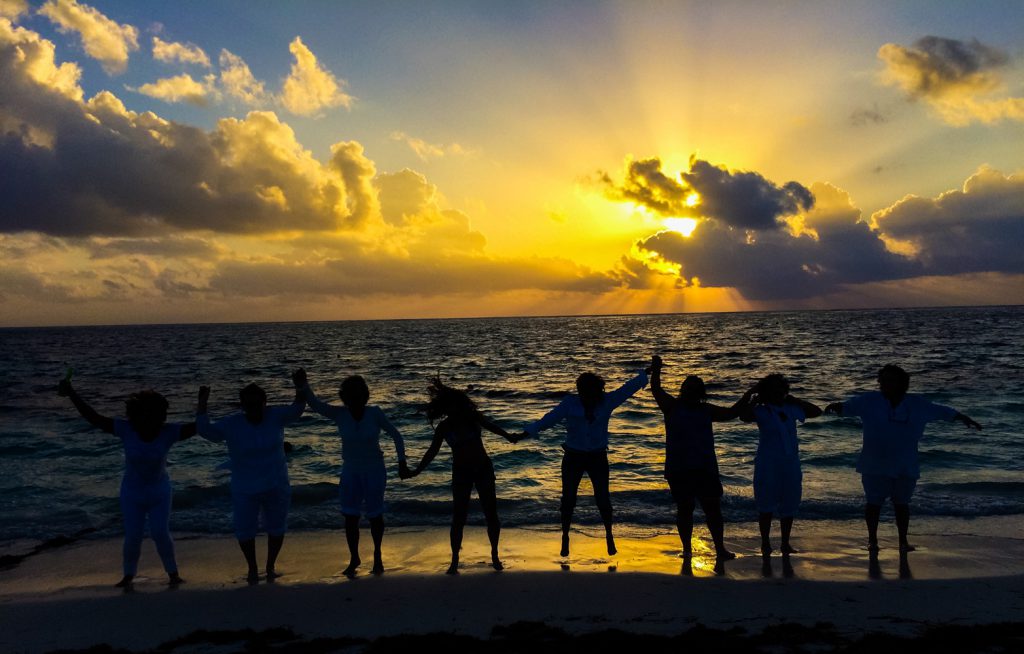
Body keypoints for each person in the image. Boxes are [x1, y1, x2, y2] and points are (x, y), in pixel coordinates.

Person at [826, 364, 981, 554]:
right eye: (881, 380)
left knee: (902, 504)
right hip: (874, 464)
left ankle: (903, 542)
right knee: (873, 503)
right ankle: (872, 541)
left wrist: (963, 418)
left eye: (889, 380)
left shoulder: (918, 404)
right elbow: (846, 407)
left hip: (905, 464)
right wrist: (834, 407)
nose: (883, 383)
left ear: (902, 383)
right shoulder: (869, 400)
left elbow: (943, 411)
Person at [58, 378, 195, 590]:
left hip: (160, 492)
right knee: (133, 536)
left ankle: (173, 574)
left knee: (160, 532)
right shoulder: (125, 429)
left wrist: (204, 403)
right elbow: (93, 418)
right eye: (158, 414)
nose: (162, 418)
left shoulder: (169, 432)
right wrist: (72, 394)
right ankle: (128, 576)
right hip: (132, 493)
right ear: (141, 415)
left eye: (163, 415)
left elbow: (201, 427)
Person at [517, 365, 650, 558]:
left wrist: (647, 373)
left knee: (603, 499)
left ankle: (609, 534)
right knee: (568, 499)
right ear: (580, 391)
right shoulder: (570, 404)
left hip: (597, 456)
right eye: (584, 392)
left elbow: (627, 388)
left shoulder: (606, 401)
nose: (587, 396)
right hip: (573, 456)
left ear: (598, 390)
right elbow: (549, 420)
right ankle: (565, 536)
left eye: (591, 392)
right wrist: (525, 433)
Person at [196, 369, 306, 583]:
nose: (254, 408)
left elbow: (297, 409)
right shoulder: (232, 424)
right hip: (245, 487)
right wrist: (202, 403)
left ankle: (270, 566)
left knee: (277, 526)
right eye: (249, 404)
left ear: (265, 402)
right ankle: (252, 568)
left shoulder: (275, 416)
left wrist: (301, 385)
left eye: (258, 403)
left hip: (276, 484)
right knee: (244, 529)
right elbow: (206, 431)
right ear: (242, 405)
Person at [649, 355, 752, 572]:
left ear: (700, 393)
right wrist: (656, 369)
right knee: (685, 509)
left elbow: (732, 413)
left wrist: (748, 395)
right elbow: (656, 390)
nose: (690, 391)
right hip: (680, 469)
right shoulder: (672, 407)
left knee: (712, 509)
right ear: (682, 390)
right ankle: (687, 549)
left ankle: (720, 549)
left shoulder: (706, 410)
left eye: (694, 388)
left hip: (704, 468)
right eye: (687, 387)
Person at [303, 374, 411, 577]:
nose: (355, 401)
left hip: (374, 470)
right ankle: (354, 558)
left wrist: (402, 463)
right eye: (350, 397)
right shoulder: (340, 414)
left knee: (375, 515)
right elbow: (316, 405)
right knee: (350, 516)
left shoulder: (375, 413)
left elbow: (396, 435)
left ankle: (378, 555)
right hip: (351, 471)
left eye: (359, 396)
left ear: (365, 396)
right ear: (345, 398)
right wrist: (303, 387)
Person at [406, 377, 514, 574]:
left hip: (483, 469)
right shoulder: (444, 428)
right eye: (448, 407)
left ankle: (495, 556)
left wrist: (509, 437)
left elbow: (492, 426)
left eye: (454, 406)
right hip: (461, 473)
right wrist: (417, 471)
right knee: (459, 516)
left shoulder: (472, 418)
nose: (452, 410)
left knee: (491, 514)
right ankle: (454, 560)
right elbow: (432, 452)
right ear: (445, 408)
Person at [739, 373, 822, 557]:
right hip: (768, 463)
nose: (777, 392)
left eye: (780, 388)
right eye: (772, 388)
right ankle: (765, 543)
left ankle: (785, 543)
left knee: (789, 501)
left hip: (790, 462)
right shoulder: (762, 410)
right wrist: (752, 395)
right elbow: (743, 416)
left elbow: (817, 411)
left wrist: (795, 399)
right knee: (765, 503)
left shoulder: (792, 408)